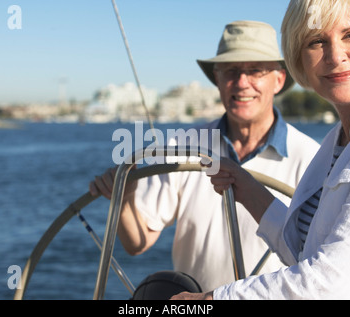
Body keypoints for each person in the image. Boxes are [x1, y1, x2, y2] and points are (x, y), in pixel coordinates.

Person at [171, 0, 350, 300]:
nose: (336, 56)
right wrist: (246, 186)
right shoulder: (339, 140)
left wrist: (209, 300)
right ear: (299, 59)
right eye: (317, 41)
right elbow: (303, 250)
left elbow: (332, 283)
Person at [90, 20, 320, 292]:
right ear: (218, 80)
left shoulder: (312, 159)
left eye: (255, 70)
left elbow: (320, 264)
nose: (242, 83)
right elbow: (137, 243)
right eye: (231, 71)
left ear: (278, 80)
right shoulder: (181, 146)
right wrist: (126, 197)